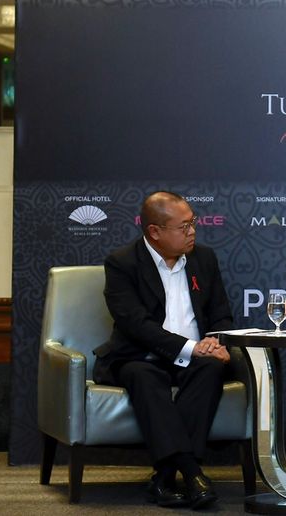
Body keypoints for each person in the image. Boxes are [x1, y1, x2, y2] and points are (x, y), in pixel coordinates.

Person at [93, 191, 234, 509]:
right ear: (154, 232)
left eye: (193, 223)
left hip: (196, 357)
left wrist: (213, 342)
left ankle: (165, 476)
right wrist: (191, 348)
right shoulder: (122, 263)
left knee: (212, 368)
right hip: (138, 355)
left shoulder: (204, 258)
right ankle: (192, 472)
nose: (192, 232)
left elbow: (221, 314)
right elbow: (136, 325)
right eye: (183, 227)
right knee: (144, 376)